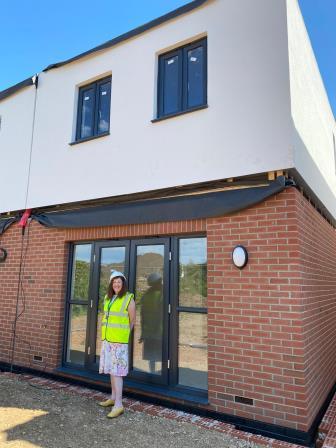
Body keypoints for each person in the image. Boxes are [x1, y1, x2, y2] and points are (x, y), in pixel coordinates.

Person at [98, 270, 136, 418]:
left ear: (123, 284)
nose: (116, 284)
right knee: (111, 370)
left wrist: (124, 335)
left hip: (119, 342)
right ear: (111, 284)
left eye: (119, 282)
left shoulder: (128, 298)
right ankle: (113, 398)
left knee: (117, 373)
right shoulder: (108, 298)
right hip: (107, 340)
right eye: (114, 282)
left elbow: (132, 321)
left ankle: (119, 405)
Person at [138, 272, 163, 373]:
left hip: (148, 331)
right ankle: (162, 374)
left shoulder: (146, 295)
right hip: (159, 331)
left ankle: (152, 372)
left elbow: (142, 316)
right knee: (161, 352)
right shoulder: (162, 295)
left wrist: (142, 333)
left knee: (151, 354)